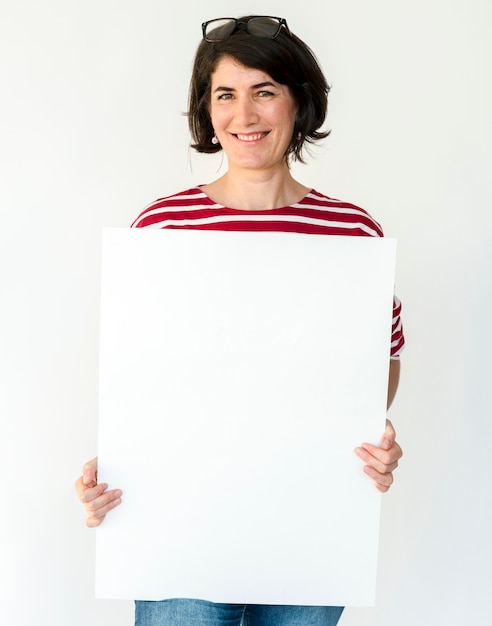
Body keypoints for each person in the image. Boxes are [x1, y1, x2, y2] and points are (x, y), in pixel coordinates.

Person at [75, 15, 404, 626]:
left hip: (310, 524)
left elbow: (380, 361)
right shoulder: (162, 229)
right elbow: (142, 374)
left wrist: (370, 434)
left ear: (298, 103)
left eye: (265, 91)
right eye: (225, 94)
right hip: (180, 525)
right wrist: (119, 463)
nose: (244, 115)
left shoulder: (353, 233)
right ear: (207, 110)